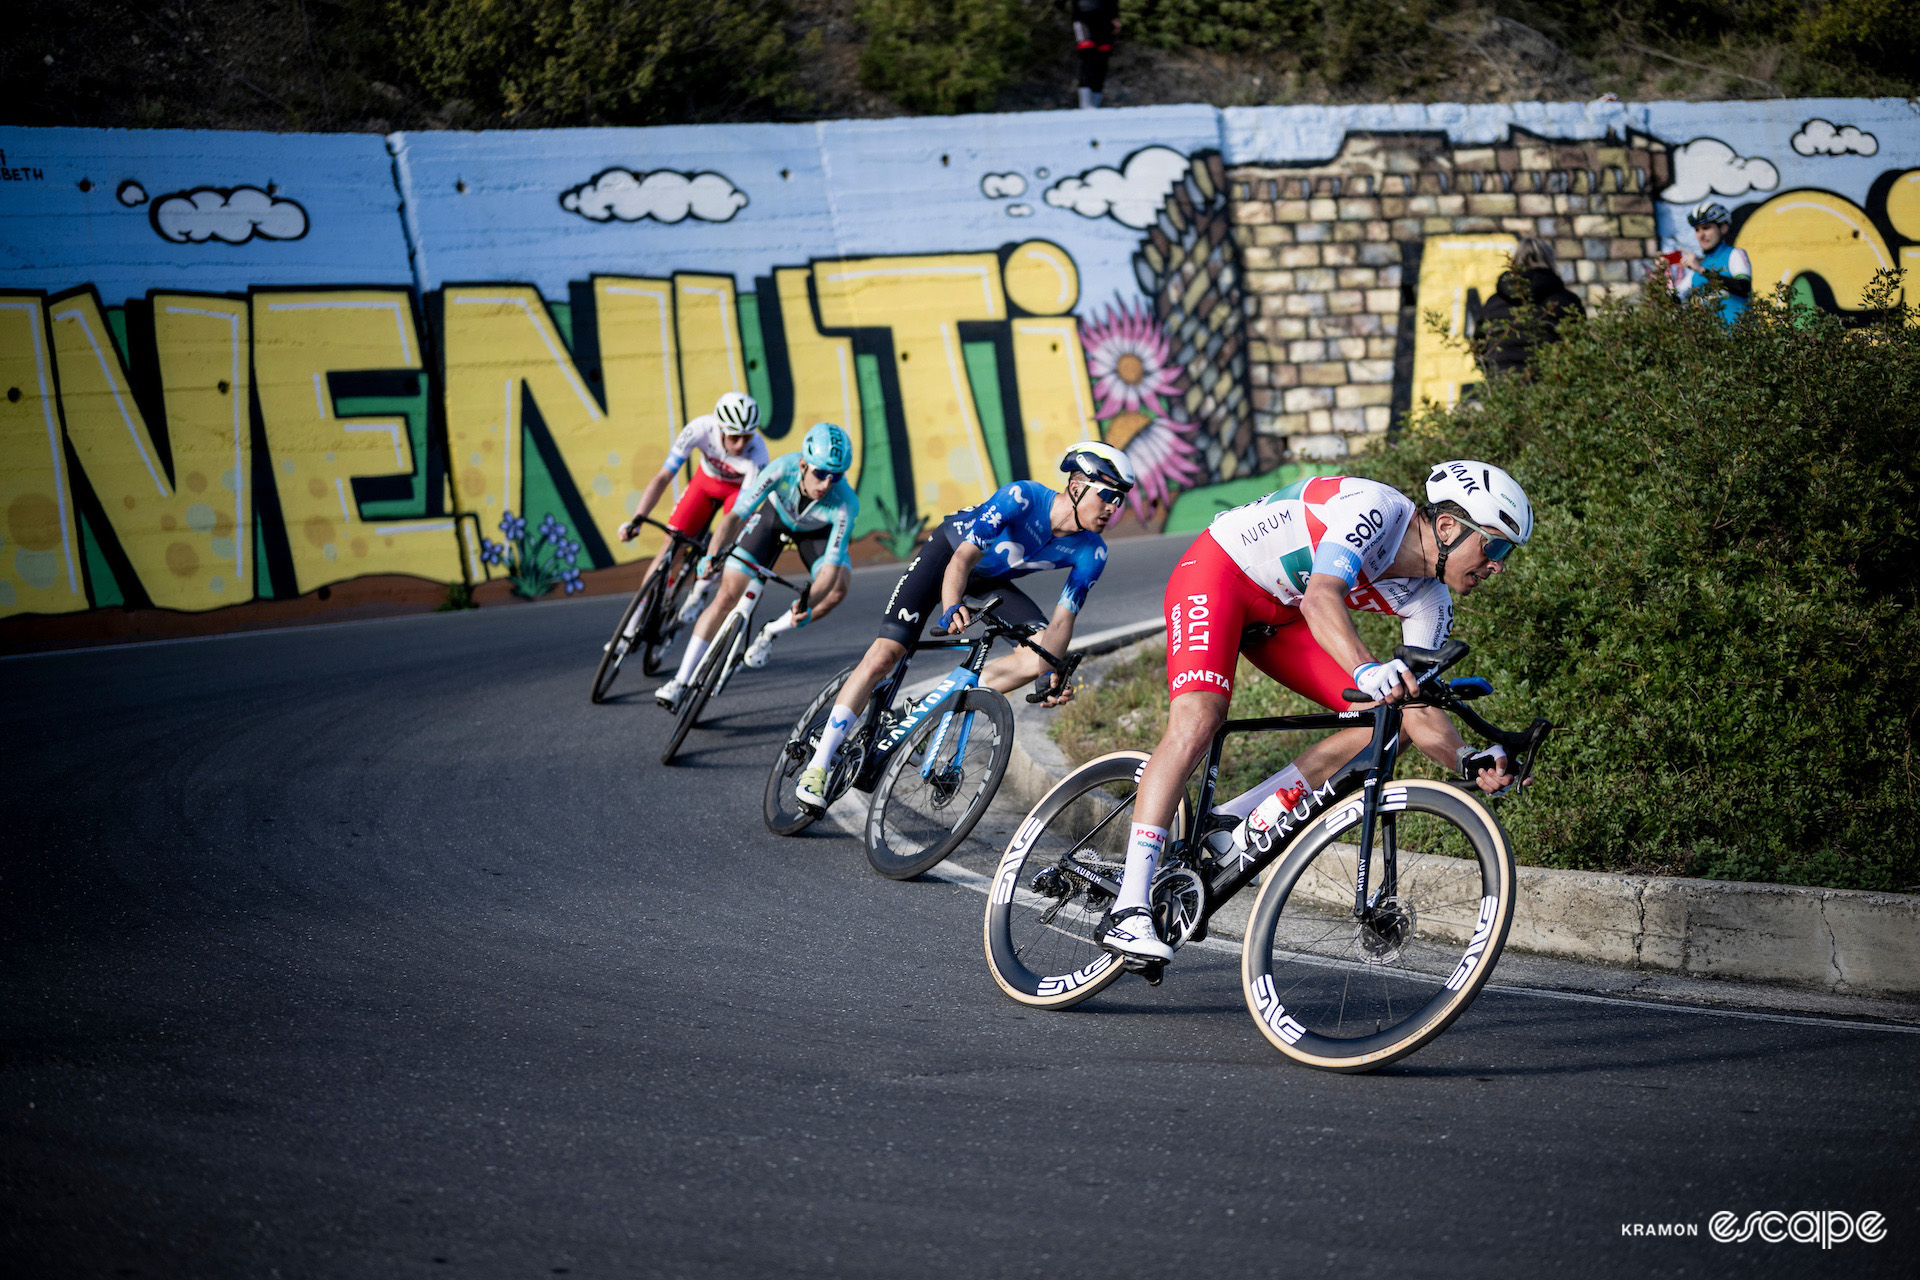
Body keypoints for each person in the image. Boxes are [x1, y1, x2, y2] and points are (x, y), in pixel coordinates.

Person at [1097, 462, 1531, 964]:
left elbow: (1416, 710)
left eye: (1506, 554)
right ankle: (1130, 908)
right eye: (1494, 546)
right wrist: (1366, 667)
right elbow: (1322, 596)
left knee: (1382, 720)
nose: (1498, 565)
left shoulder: (1429, 600)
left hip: (1282, 612)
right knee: (1199, 718)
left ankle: (1235, 820)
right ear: (1449, 527)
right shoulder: (1379, 510)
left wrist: (1468, 758)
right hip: (1221, 575)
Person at [792, 443, 1135, 810]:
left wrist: (1048, 672)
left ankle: (929, 707)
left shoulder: (1092, 551)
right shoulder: (1022, 498)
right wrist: (952, 603)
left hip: (991, 581)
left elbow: (1063, 619)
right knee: (885, 655)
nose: (1114, 508)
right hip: (947, 557)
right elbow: (963, 558)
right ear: (1077, 487)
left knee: (1038, 654)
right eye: (1109, 496)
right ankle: (819, 764)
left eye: (1121, 500)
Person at [653, 423, 860, 711]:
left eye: (836, 476)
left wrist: (807, 602)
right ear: (803, 465)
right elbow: (736, 517)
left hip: (816, 533)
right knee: (727, 594)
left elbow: (829, 573)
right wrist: (711, 556)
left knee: (837, 590)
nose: (827, 484)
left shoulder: (846, 503)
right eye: (821, 473)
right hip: (773, 519)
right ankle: (680, 681)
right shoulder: (782, 468)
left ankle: (772, 631)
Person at [617, 391, 771, 623]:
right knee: (671, 545)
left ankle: (700, 589)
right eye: (734, 437)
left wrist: (712, 558)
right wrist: (637, 519)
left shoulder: (758, 455)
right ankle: (634, 616)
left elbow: (739, 516)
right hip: (705, 483)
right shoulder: (700, 428)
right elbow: (663, 477)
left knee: (730, 535)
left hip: (736, 493)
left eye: (747, 437)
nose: (740, 445)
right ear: (720, 428)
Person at [1473, 237, 1584, 378]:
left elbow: (1479, 348)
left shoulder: (1493, 303)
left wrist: (1492, 376)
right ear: (1550, 260)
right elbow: (1580, 346)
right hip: (1552, 387)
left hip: (1504, 388)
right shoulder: (1567, 301)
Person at [1676, 201, 1752, 326]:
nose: (1701, 235)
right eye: (1697, 230)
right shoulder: (1698, 267)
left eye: (1706, 228)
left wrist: (1702, 271)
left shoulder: (1735, 255)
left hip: (1740, 340)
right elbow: (1675, 299)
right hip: (1713, 343)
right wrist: (1662, 274)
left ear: (1723, 228)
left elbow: (1743, 288)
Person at [1071, 0, 1120, 109]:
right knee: (1087, 58)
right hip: (1083, 18)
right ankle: (1085, 104)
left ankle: (1095, 103)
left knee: (1102, 61)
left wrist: (1115, 17)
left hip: (1105, 20)